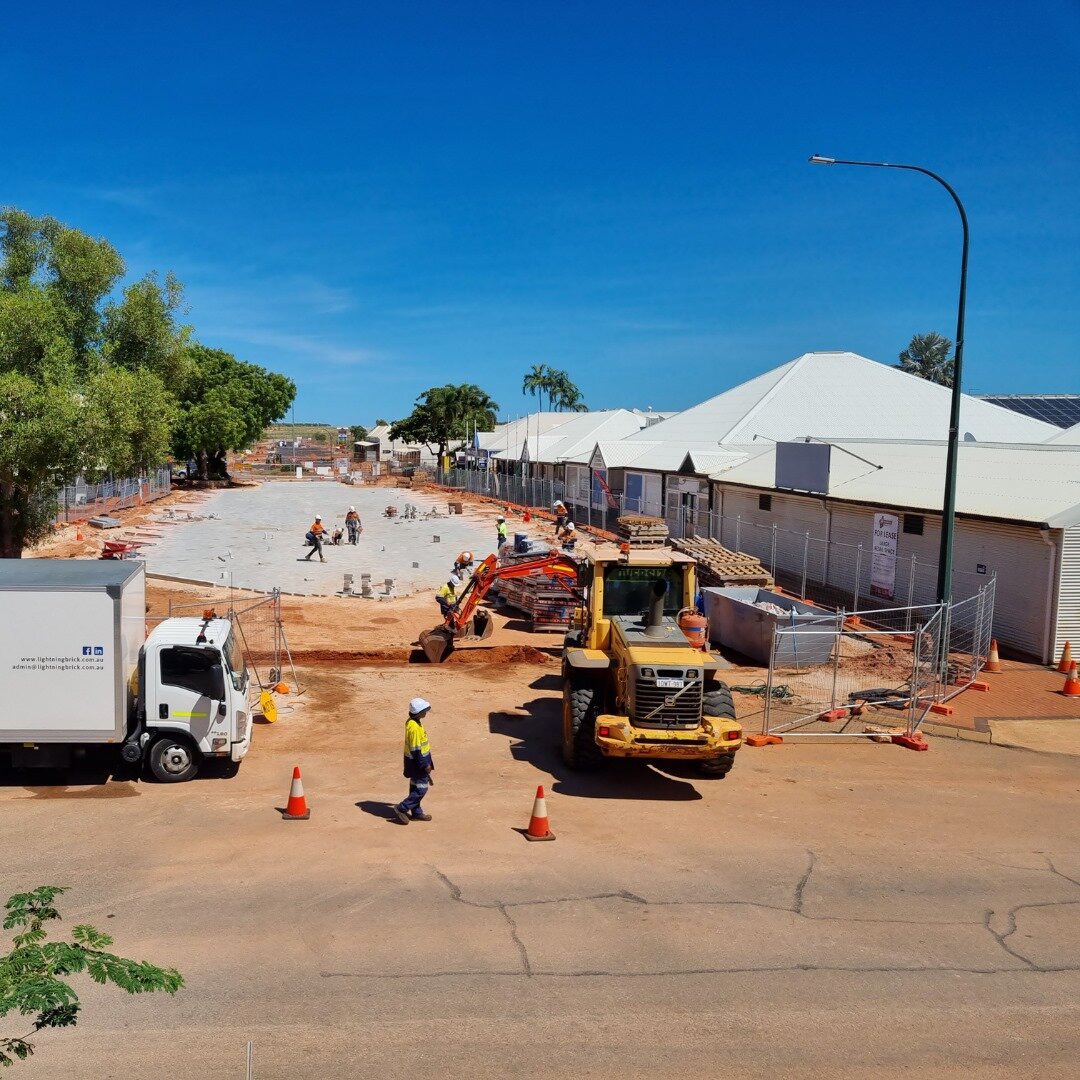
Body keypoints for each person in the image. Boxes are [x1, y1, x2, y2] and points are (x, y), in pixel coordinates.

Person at [393, 698, 435, 824]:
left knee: (415, 787)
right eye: (424, 710)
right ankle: (402, 808)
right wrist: (425, 765)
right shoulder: (415, 728)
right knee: (421, 789)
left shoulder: (412, 722)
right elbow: (417, 750)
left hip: (413, 763)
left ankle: (416, 813)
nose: (426, 712)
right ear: (419, 712)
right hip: (418, 764)